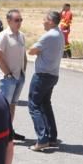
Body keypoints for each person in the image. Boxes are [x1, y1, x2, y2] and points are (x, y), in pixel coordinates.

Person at [27, 10, 65, 152]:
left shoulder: (48, 36)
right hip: (53, 74)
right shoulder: (59, 33)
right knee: (45, 104)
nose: (42, 21)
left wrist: (36, 50)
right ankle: (51, 137)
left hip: (43, 75)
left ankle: (42, 139)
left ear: (50, 21)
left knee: (34, 105)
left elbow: (31, 50)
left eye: (44, 19)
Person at [0, 9, 28, 141]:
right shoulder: (3, 35)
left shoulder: (21, 35)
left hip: (19, 76)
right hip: (8, 78)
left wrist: (23, 71)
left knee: (12, 105)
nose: (19, 23)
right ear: (9, 21)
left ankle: (9, 131)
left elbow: (23, 54)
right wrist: (8, 74)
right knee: (4, 107)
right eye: (16, 20)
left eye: (21, 20)